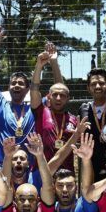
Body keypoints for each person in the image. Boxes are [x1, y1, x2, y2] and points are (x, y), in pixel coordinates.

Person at [0, 25, 36, 162]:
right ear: (8, 88)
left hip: (27, 168)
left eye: (21, 83)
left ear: (27, 89)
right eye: (13, 83)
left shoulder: (33, 109)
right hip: (3, 166)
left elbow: (58, 90)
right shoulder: (1, 105)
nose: (16, 85)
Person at [31, 43, 77, 171]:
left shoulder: (73, 119)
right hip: (42, 172)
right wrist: (39, 66)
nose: (58, 98)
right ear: (49, 97)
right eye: (55, 95)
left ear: (68, 99)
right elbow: (34, 90)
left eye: (62, 96)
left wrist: (54, 62)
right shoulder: (41, 111)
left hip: (66, 176)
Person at [78, 68, 106, 178]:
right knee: (93, 195)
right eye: (94, 84)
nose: (98, 87)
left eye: (101, 83)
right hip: (92, 165)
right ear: (88, 88)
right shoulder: (83, 109)